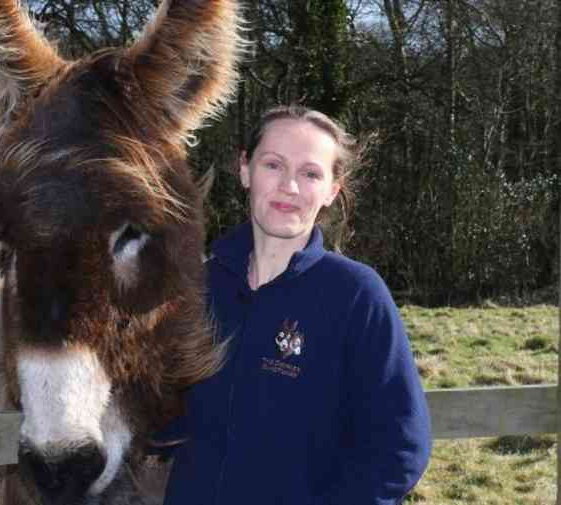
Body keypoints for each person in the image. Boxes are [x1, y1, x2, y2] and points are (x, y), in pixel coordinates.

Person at [159, 105, 432, 504]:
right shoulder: (195, 288)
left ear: (331, 191)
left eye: (310, 173)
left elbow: (400, 448)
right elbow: (160, 420)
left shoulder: (356, 295)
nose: (289, 186)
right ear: (245, 170)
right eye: (273, 165)